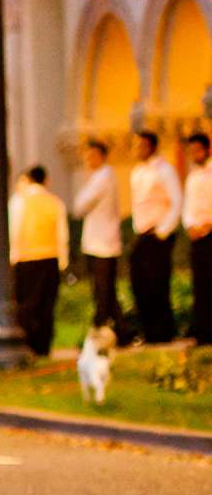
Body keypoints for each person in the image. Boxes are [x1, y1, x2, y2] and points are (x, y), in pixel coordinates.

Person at [9, 164, 69, 356]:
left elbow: (14, 230)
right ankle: (44, 345)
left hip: (26, 259)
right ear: (46, 180)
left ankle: (28, 343)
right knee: (46, 304)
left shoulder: (19, 201)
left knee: (26, 304)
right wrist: (62, 260)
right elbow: (62, 234)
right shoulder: (55, 202)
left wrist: (13, 256)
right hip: (50, 258)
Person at [129, 130, 182, 343]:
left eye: (141, 145)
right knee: (140, 283)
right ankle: (149, 331)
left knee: (158, 283)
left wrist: (163, 231)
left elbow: (176, 201)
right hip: (142, 233)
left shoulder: (164, 170)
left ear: (151, 146)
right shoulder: (137, 172)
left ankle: (163, 333)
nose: (137, 150)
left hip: (158, 234)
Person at [71, 138, 125, 337]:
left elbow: (79, 206)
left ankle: (102, 327)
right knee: (105, 289)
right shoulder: (98, 177)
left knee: (102, 289)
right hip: (97, 242)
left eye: (91, 155)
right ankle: (120, 329)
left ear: (101, 156)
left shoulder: (103, 177)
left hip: (103, 243)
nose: (87, 159)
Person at [185, 132, 212, 344]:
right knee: (200, 285)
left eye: (198, 150)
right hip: (196, 237)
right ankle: (202, 332)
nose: (195, 155)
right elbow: (188, 207)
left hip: (210, 234)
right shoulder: (192, 176)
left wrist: (208, 224)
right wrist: (190, 225)